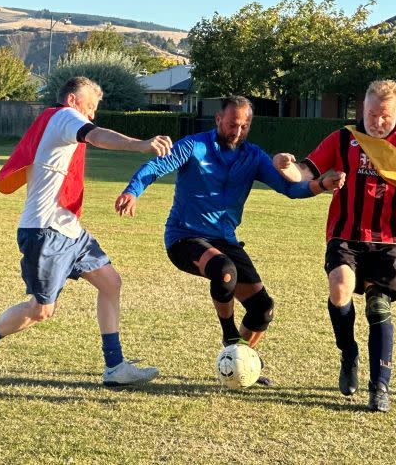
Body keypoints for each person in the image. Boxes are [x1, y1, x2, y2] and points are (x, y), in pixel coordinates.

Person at [0, 76, 173, 388]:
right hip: (45, 232)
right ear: (73, 100)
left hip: (70, 231)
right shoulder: (64, 116)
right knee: (42, 310)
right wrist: (139, 145)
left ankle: (115, 367)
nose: (92, 114)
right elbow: (97, 135)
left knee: (111, 282)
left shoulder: (59, 121)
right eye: (90, 106)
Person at [116, 96, 344, 385]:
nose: (238, 131)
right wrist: (133, 190)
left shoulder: (254, 156)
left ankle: (239, 362)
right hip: (185, 237)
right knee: (225, 272)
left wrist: (322, 184)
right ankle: (230, 338)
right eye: (233, 124)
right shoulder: (194, 145)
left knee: (263, 309)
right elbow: (154, 167)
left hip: (226, 239)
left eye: (245, 125)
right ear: (218, 120)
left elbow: (291, 188)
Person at [273, 80, 396, 412]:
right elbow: (305, 171)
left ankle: (379, 386)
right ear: (361, 108)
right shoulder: (343, 137)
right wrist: (284, 165)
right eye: (370, 114)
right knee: (339, 288)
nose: (376, 123)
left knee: (378, 307)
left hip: (386, 240)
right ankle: (348, 352)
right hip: (344, 233)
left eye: (385, 117)